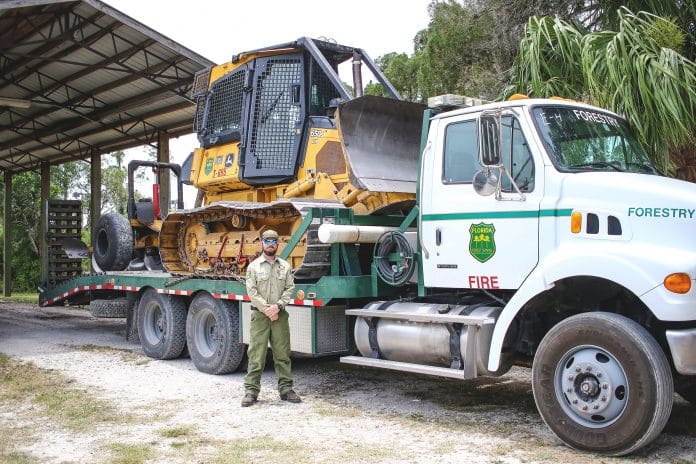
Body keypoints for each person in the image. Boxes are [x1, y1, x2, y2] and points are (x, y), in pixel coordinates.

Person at [241, 229, 301, 407]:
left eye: (274, 241)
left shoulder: (285, 266)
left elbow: (290, 288)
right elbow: (251, 291)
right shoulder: (253, 267)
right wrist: (267, 308)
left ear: (278, 244)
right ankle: (251, 391)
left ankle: (286, 389)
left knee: (282, 354)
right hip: (260, 316)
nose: (270, 244)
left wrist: (278, 306)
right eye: (267, 241)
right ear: (262, 243)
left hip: (279, 315)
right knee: (256, 354)